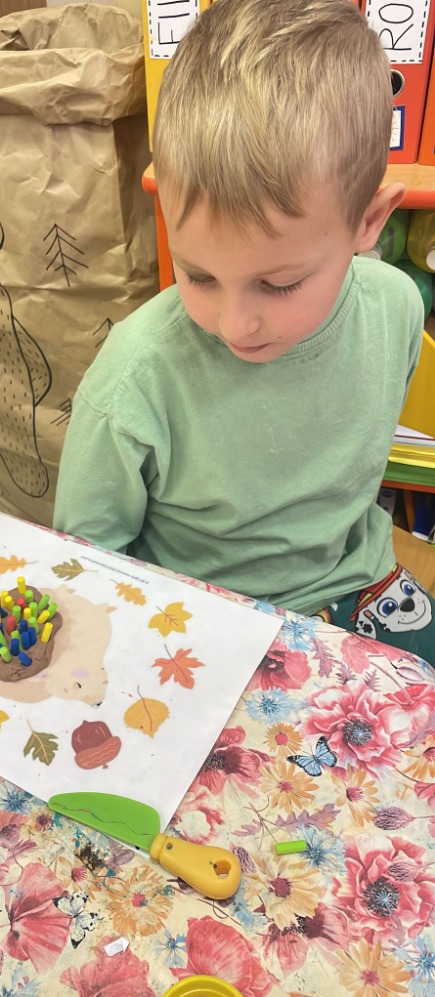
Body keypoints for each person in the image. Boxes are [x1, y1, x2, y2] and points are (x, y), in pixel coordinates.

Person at [54, 0, 435, 665]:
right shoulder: (137, 372)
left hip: (356, 582)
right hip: (194, 615)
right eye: (198, 274)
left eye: (279, 283)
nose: (233, 324)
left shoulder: (397, 305)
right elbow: (85, 564)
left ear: (368, 224)